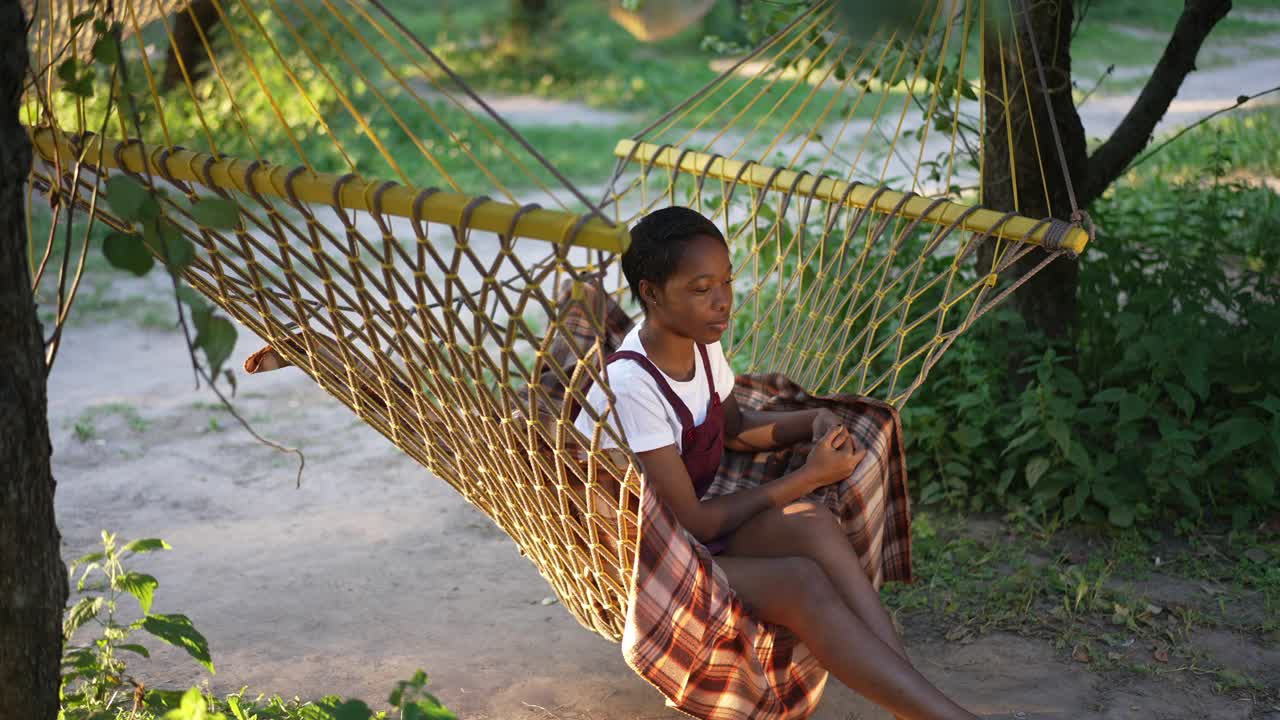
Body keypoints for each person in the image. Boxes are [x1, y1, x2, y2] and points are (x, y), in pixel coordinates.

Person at [573, 207, 978, 720]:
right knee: (801, 581)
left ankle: (915, 704)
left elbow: (737, 428)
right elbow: (693, 523)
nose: (723, 302)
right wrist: (808, 476)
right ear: (651, 292)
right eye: (701, 289)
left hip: (690, 531)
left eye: (726, 282)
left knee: (814, 523)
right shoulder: (633, 387)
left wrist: (812, 419)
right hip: (647, 560)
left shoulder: (698, 344)